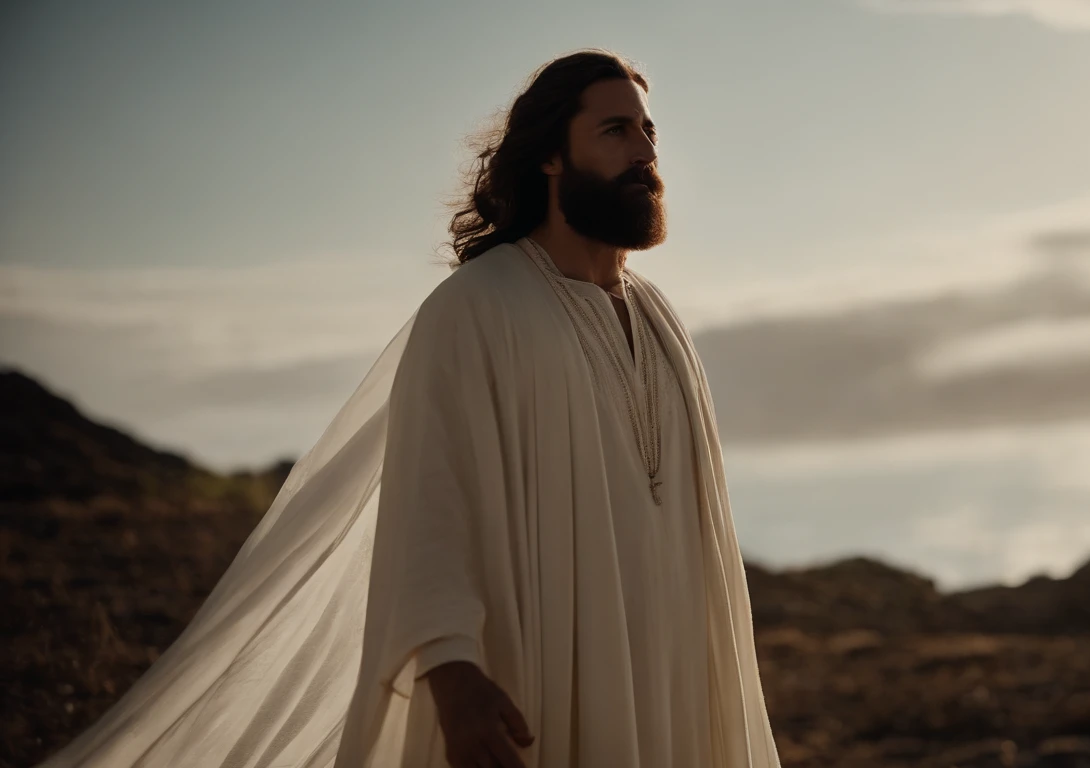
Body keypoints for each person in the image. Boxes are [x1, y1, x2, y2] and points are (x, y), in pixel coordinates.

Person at [37, 49, 779, 768]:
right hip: (539, 674)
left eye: (649, 130)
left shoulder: (661, 320)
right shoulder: (477, 309)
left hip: (673, 683)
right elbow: (432, 501)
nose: (644, 151)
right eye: (615, 131)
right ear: (550, 157)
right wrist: (452, 674)